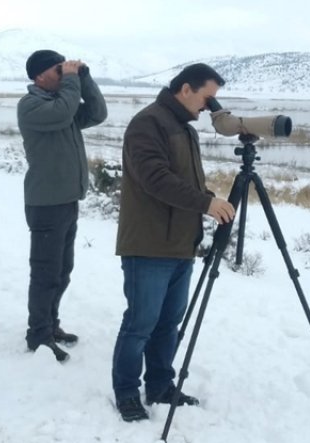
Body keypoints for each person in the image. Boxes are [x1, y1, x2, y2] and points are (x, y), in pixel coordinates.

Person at [110, 63, 236, 422]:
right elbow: (155, 179)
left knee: (168, 324)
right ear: (185, 89)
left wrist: (210, 200)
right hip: (148, 244)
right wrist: (205, 203)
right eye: (207, 97)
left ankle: (161, 385)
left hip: (181, 243)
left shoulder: (183, 127)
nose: (211, 106)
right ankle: (126, 392)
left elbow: (186, 182)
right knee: (140, 323)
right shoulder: (147, 123)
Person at [17, 50, 108, 362]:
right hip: (46, 203)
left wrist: (84, 77)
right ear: (41, 75)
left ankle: (50, 325)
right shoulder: (32, 106)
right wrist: (71, 81)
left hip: (66, 201)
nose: (64, 73)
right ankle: (38, 336)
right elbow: (62, 111)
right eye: (59, 70)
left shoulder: (62, 105)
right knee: (45, 274)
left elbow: (97, 114)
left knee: (62, 271)